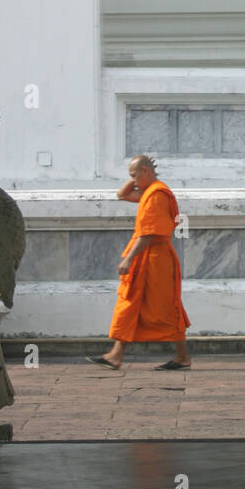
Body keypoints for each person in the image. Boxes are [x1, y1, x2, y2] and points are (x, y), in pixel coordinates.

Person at [87, 155, 191, 372]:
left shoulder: (156, 195)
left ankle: (182, 357)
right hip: (148, 257)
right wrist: (136, 177)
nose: (132, 180)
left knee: (166, 308)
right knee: (132, 302)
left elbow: (149, 234)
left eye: (134, 175)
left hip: (155, 259)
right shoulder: (149, 191)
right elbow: (121, 194)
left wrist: (128, 259)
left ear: (145, 172)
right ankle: (116, 354)